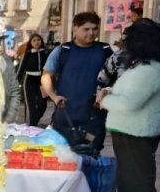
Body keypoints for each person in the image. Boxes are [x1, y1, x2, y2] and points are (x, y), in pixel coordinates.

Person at [98, 18, 160, 192]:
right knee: (129, 184)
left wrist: (105, 100)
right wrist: (110, 92)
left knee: (138, 185)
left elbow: (129, 104)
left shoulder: (151, 71)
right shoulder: (145, 66)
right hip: (130, 132)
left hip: (137, 134)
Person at [42, 11, 111, 154]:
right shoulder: (63, 50)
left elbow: (117, 78)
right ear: (75, 28)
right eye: (86, 29)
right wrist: (54, 97)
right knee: (64, 159)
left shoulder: (105, 51)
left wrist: (107, 92)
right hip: (66, 116)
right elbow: (46, 76)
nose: (91, 33)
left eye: (95, 29)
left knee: (91, 155)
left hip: (94, 118)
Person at [16, 32, 50, 125]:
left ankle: (35, 121)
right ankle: (31, 126)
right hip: (29, 81)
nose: (36, 42)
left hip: (42, 81)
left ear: (41, 41)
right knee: (30, 105)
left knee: (42, 104)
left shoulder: (46, 53)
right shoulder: (27, 54)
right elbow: (21, 69)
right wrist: (16, 83)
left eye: (38, 40)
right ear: (30, 42)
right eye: (34, 40)